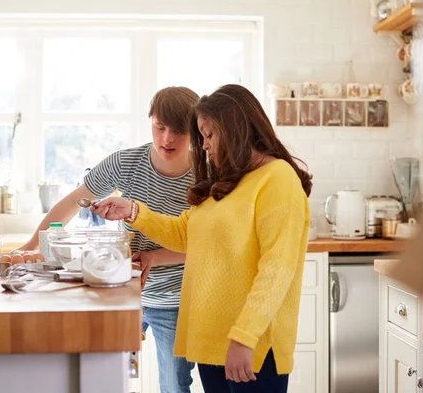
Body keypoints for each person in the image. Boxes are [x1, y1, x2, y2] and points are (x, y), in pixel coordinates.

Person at [91, 84, 313, 393]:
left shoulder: (278, 179)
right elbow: (185, 234)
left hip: (250, 346)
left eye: (209, 135)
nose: (204, 146)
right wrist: (133, 211)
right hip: (211, 341)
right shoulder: (227, 181)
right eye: (202, 136)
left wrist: (243, 338)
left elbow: (277, 271)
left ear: (236, 129)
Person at [19, 86, 199, 393]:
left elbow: (206, 242)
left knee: (174, 386)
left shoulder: (207, 175)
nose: (167, 138)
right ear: (151, 122)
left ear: (195, 130)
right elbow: (73, 201)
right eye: (159, 127)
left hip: (178, 300)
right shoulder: (127, 163)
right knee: (106, 377)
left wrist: (156, 257)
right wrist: (31, 244)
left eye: (179, 131)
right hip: (123, 291)